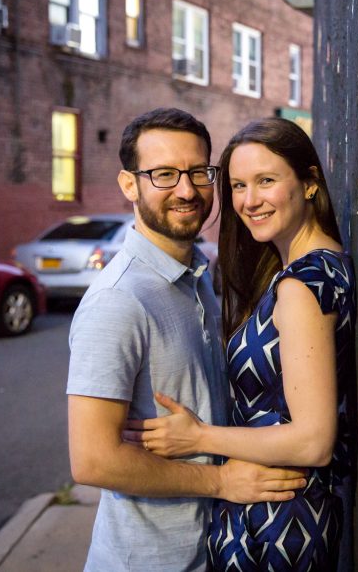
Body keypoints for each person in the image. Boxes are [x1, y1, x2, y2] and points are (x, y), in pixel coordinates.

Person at [67, 108, 307, 571]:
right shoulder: (118, 301)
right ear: (129, 185)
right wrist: (221, 483)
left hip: (214, 551)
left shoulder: (198, 276)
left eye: (198, 172)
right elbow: (93, 461)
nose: (186, 189)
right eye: (164, 174)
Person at [125, 117, 356, 571]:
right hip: (278, 513)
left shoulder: (300, 286)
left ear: (309, 182)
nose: (249, 201)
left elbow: (314, 442)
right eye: (238, 185)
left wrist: (199, 436)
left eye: (266, 181)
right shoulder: (317, 265)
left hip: (280, 522)